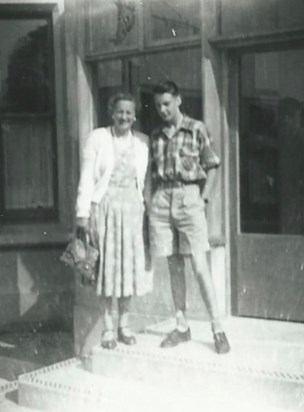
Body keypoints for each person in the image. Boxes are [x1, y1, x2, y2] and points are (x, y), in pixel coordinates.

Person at [149, 80, 230, 354]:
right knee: (174, 265)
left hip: (189, 196)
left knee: (199, 265)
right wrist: (151, 202)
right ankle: (181, 326)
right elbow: (151, 174)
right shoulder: (156, 136)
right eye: (158, 104)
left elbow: (213, 166)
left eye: (167, 104)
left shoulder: (196, 128)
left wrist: (204, 198)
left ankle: (217, 328)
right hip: (162, 198)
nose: (162, 109)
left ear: (179, 100)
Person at [75, 92, 152, 349]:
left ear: (135, 116)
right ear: (112, 112)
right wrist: (83, 215)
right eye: (120, 112)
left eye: (129, 113)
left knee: (128, 268)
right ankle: (108, 327)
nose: (124, 117)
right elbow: (87, 178)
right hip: (104, 208)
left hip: (132, 210)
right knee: (107, 268)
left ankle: (125, 325)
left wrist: (148, 210)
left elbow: (145, 182)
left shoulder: (142, 142)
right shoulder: (97, 138)